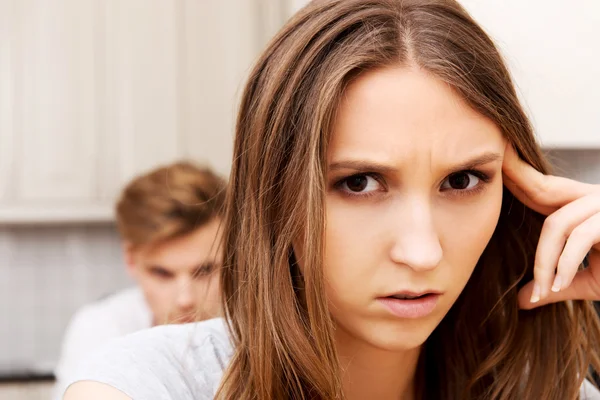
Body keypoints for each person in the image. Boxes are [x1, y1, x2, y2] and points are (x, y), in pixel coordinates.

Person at [63, 1, 600, 399]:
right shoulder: (144, 386)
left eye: (461, 181)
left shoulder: (545, 388)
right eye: (360, 183)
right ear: (275, 196)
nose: (422, 253)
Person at [52, 161, 226, 399]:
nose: (185, 299)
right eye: (163, 273)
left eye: (205, 271)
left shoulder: (259, 330)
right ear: (131, 260)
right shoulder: (100, 328)